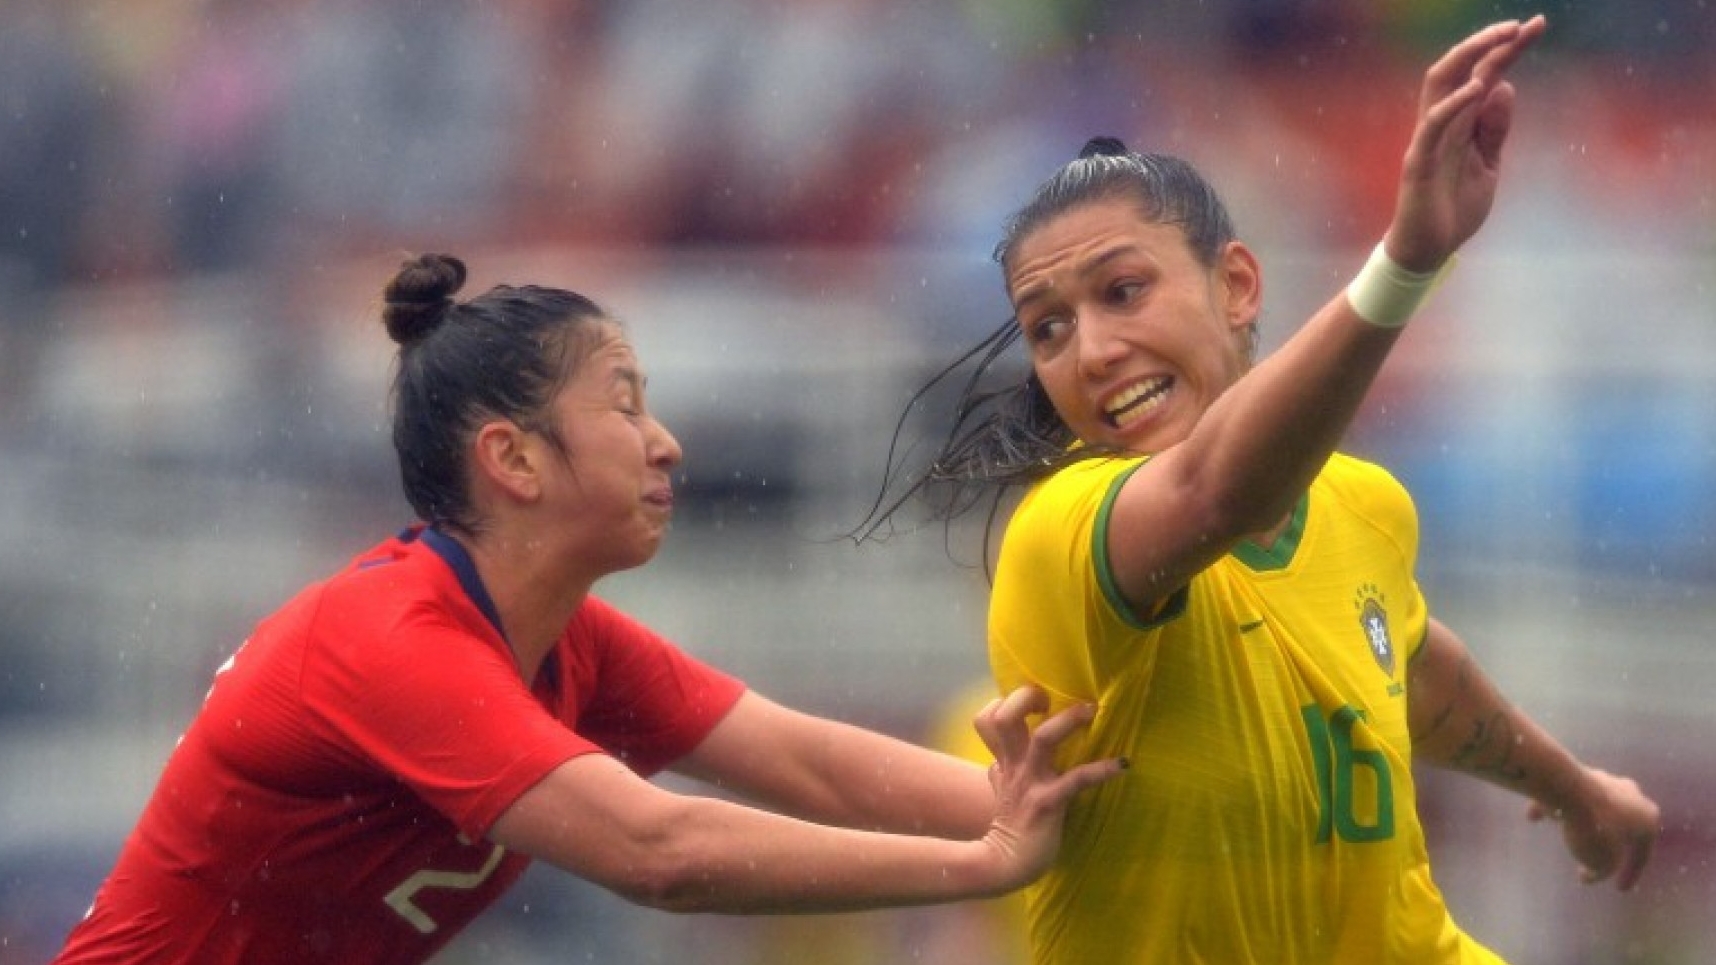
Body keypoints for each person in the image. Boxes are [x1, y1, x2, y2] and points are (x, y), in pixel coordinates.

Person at [50, 253, 1126, 965]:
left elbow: (814, 765)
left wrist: (1069, 803)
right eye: (624, 401)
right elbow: (660, 852)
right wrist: (983, 860)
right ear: (511, 457)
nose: (666, 440)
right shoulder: (388, 640)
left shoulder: (562, 640)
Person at [857, 15, 1660, 964]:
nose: (1094, 350)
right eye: (1048, 330)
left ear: (1237, 285)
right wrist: (1405, 263)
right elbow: (1214, 495)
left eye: (1122, 291)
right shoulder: (1066, 528)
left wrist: (1573, 788)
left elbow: (1405, 660)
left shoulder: (1364, 503)